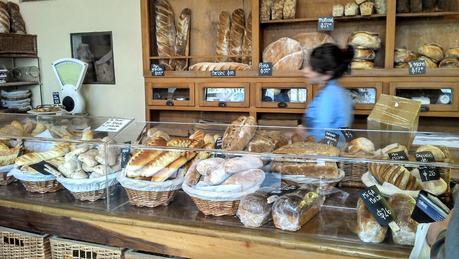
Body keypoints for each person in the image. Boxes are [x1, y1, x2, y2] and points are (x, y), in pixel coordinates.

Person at [300, 43, 354, 142]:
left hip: (324, 154)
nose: (305, 70)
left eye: (312, 68)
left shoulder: (329, 96)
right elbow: (347, 134)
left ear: (327, 74)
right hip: (332, 151)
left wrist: (306, 135)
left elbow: (323, 134)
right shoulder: (336, 91)